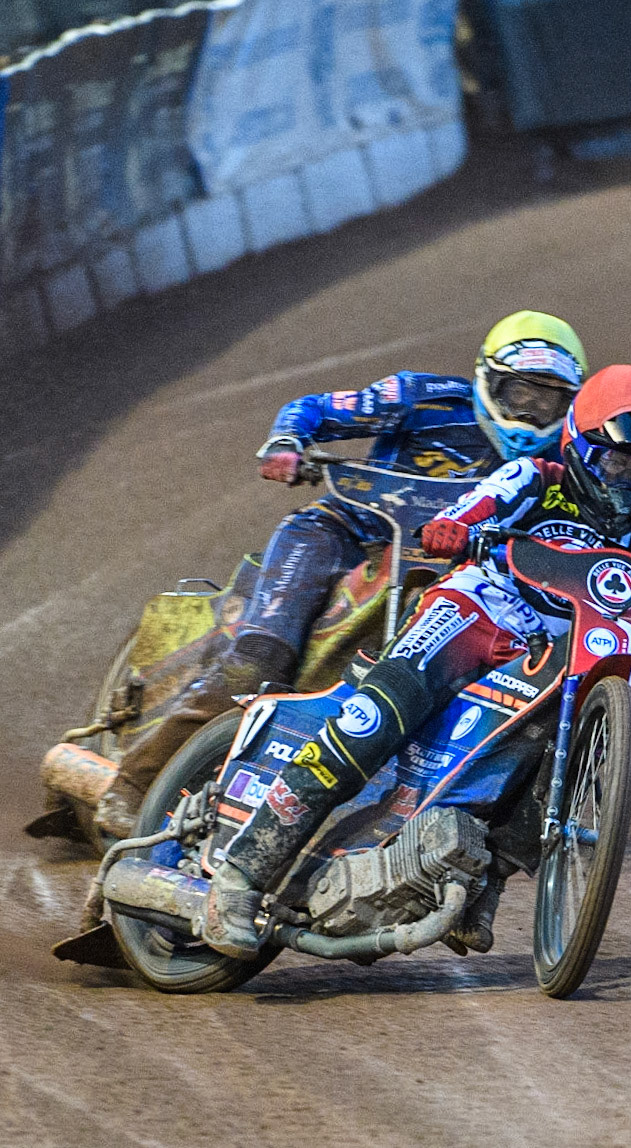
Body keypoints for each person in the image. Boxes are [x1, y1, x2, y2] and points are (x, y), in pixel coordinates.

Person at [197, 365, 631, 958]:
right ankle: (239, 879)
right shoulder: (533, 477)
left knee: (555, 745)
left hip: (544, 656)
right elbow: (480, 501)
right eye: (618, 463)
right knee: (372, 721)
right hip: (475, 611)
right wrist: (454, 527)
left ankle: (481, 878)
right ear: (583, 448)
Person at [94, 311, 588, 838]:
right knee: (258, 661)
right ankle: (131, 788)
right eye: (520, 395)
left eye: (548, 400)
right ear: (488, 381)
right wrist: (287, 442)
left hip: (461, 577)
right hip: (341, 537)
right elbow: (312, 410)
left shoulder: (572, 459)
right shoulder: (422, 398)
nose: (532, 413)